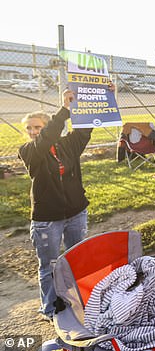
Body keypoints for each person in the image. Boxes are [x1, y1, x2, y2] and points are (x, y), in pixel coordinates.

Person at [19, 87, 110, 321]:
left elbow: (86, 128)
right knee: (49, 265)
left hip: (76, 213)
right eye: (29, 128)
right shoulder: (28, 151)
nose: (32, 132)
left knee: (76, 259)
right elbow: (45, 140)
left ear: (48, 126)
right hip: (47, 219)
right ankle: (49, 309)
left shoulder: (67, 145)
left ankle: (78, 300)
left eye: (37, 127)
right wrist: (64, 110)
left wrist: (103, 95)